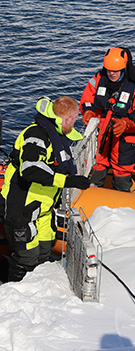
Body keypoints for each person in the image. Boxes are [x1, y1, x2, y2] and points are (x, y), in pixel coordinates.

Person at [1, 96, 91, 282]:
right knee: (27, 258)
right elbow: (30, 169)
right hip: (23, 207)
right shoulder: (36, 136)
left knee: (44, 252)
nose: (75, 122)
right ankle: (14, 293)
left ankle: (39, 289)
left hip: (43, 208)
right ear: (67, 119)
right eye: (75, 119)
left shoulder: (56, 136)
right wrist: (67, 180)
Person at [80, 47, 135, 192]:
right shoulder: (98, 79)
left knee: (122, 176)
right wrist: (88, 111)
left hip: (124, 138)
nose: (111, 73)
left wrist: (128, 122)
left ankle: (122, 206)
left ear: (124, 68)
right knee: (96, 168)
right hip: (101, 136)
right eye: (108, 70)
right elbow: (87, 99)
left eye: (115, 71)